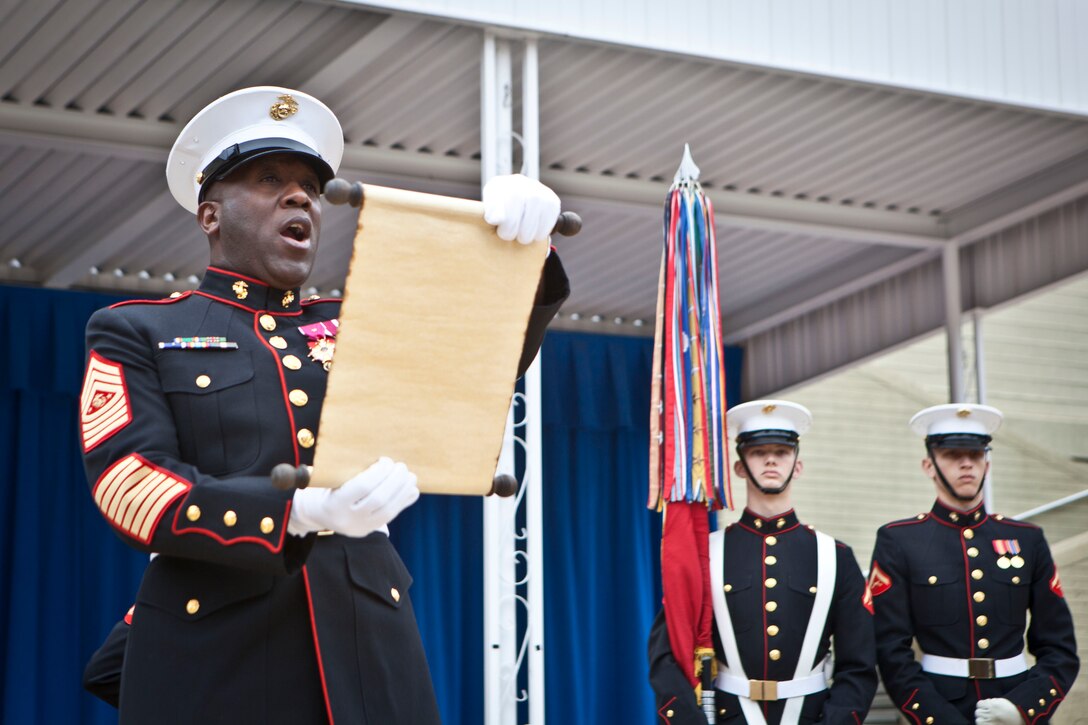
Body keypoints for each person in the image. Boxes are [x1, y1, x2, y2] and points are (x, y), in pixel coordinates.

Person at [78, 86, 570, 723]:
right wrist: (295, 512)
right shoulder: (138, 328)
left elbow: (476, 362)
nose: (299, 196)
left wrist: (522, 251)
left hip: (368, 644)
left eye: (310, 185)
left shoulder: (359, 323)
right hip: (220, 652)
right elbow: (129, 483)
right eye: (269, 179)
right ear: (210, 215)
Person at [648, 400, 877, 724]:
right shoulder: (705, 555)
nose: (771, 459)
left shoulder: (835, 556)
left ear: (798, 465)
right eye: (757, 451)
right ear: (740, 466)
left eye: (782, 452)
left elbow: (859, 665)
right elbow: (667, 655)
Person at [869, 404, 1079, 724]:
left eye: (976, 454)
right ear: (929, 465)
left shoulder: (1027, 539)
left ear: (987, 464)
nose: (966, 463)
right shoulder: (900, 541)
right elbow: (891, 651)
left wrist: (1023, 708)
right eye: (953, 454)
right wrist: (939, 718)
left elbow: (1059, 648)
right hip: (939, 704)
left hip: (1013, 705)